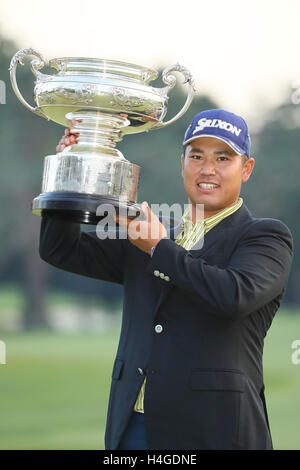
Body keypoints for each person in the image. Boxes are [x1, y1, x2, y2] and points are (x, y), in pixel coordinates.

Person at [39, 109, 293, 450]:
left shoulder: (265, 237)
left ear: (245, 169)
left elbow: (234, 296)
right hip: (131, 429)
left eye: (223, 158)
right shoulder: (149, 237)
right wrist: (69, 173)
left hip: (213, 432)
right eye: (197, 156)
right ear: (183, 162)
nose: (207, 169)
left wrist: (159, 247)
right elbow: (60, 250)